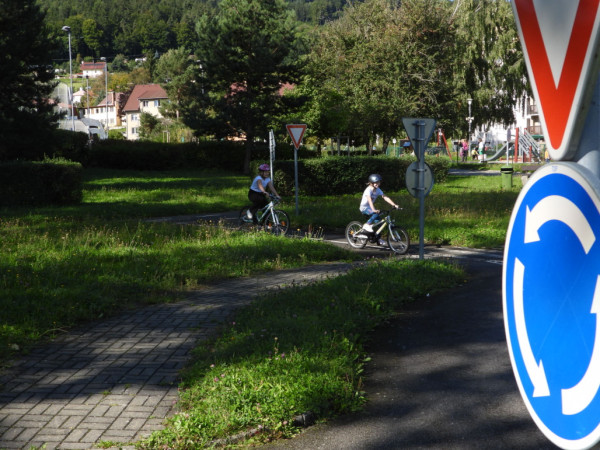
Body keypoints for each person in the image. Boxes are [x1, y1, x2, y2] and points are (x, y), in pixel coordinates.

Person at [359, 174, 399, 245]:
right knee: (376, 213)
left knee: (380, 223)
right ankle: (367, 225)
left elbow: (385, 197)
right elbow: (369, 201)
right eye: (376, 182)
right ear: (371, 183)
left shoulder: (378, 190)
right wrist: (374, 210)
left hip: (370, 207)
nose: (378, 184)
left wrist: (394, 204)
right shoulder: (368, 190)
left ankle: (378, 238)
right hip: (364, 208)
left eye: (379, 182)